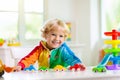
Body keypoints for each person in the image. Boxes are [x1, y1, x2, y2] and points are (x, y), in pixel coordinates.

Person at [14, 18, 85, 71]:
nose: (57, 38)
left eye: (61, 36)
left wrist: (78, 64)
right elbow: (29, 59)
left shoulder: (63, 49)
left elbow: (71, 58)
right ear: (45, 35)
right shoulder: (39, 49)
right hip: (44, 76)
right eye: (53, 34)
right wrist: (21, 65)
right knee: (28, 68)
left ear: (64, 38)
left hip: (61, 76)